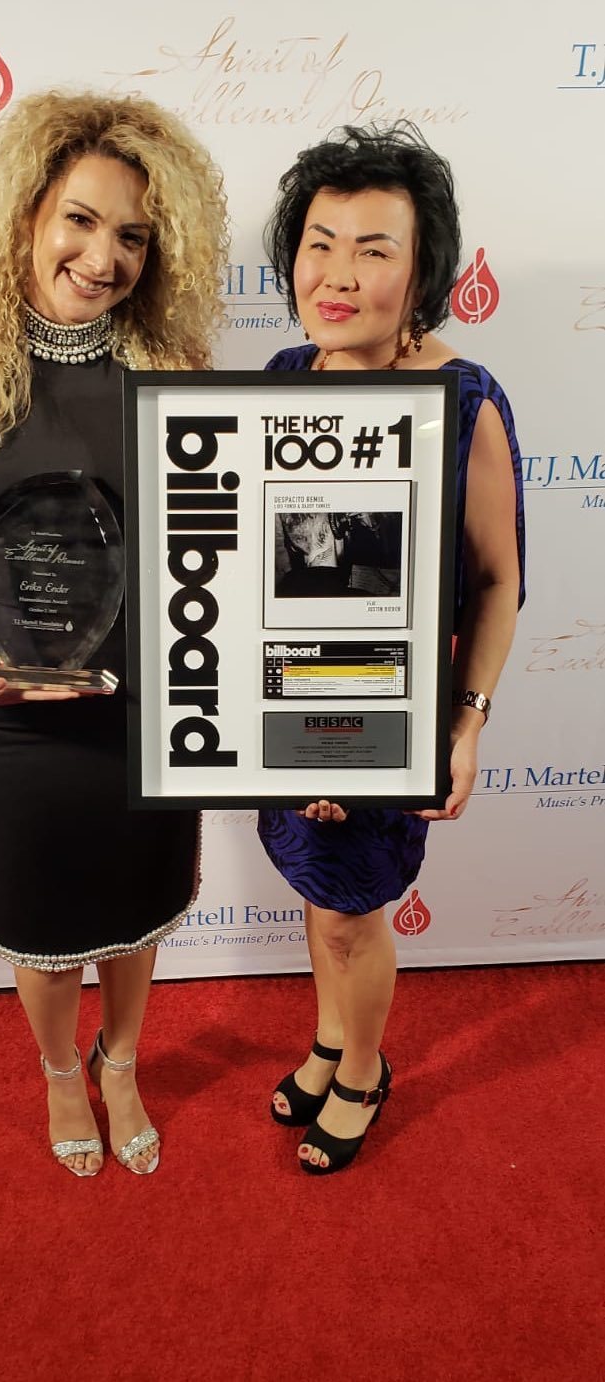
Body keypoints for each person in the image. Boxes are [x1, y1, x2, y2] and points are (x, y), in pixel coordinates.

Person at [0, 91, 227, 1178]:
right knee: (44, 924)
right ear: (25, 211)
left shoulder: (172, 370)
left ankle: (123, 1062)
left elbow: (208, 554)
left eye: (133, 236)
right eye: (80, 219)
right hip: (14, 721)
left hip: (149, 707)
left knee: (139, 904)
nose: (103, 257)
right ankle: (62, 1070)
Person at [258, 123, 525, 1175]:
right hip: (287, 703)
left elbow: (496, 581)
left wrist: (465, 723)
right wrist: (281, 732)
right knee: (318, 899)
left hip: (393, 713)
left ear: (422, 272)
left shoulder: (465, 403)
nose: (337, 275)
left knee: (348, 916)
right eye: (319, 244)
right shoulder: (281, 379)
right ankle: (331, 1039)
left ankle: (363, 1071)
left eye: (373, 250)